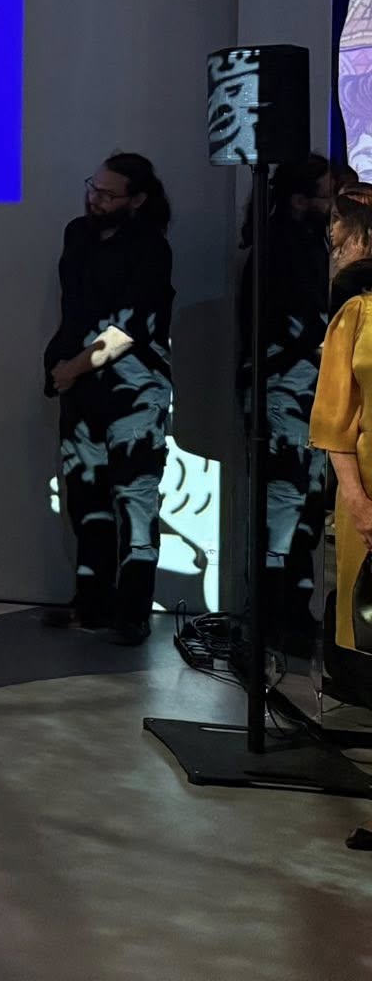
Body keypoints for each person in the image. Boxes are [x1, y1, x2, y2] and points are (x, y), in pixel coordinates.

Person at [41, 153, 175, 645]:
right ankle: (91, 604)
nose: (93, 198)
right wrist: (62, 367)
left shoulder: (152, 248)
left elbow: (131, 329)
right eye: (92, 187)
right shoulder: (77, 234)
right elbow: (75, 310)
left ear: (136, 200)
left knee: (135, 500)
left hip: (134, 391)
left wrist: (73, 367)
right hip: (80, 390)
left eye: (106, 193)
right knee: (85, 498)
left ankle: (133, 612)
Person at [237, 153, 336, 654]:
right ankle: (269, 623)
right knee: (284, 507)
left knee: (305, 507)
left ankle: (291, 619)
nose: (333, 205)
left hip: (302, 392)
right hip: (285, 393)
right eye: (327, 195)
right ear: (300, 200)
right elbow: (302, 327)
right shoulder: (281, 250)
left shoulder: (302, 244)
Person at [307, 185, 372, 851]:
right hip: (369, 503)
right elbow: (332, 422)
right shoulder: (354, 313)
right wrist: (355, 500)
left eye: (338, 238)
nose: (334, 251)